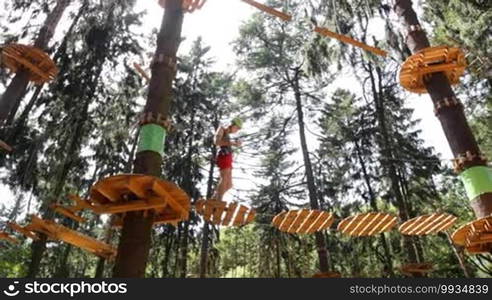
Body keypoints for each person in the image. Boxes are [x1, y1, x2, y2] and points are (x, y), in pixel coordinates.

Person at [211, 117, 243, 202]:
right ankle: (218, 200)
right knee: (224, 177)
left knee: (229, 185)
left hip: (228, 156)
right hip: (223, 155)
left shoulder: (227, 134)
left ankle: (214, 198)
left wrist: (235, 143)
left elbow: (226, 142)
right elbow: (216, 141)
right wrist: (232, 143)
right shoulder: (221, 128)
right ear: (231, 125)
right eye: (237, 128)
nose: (237, 130)